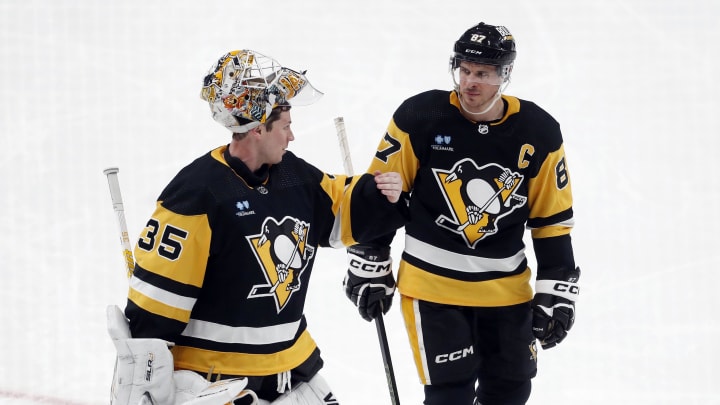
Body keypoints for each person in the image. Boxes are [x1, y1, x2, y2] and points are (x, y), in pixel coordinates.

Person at [109, 49, 406, 405]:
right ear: (257, 129)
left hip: (289, 370)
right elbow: (156, 307)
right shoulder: (197, 194)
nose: (291, 136)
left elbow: (338, 208)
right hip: (215, 382)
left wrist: (377, 193)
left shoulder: (293, 176)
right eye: (285, 126)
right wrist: (143, 382)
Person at [342, 22, 581, 405]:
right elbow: (383, 191)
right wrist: (371, 257)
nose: (469, 82)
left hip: (507, 291)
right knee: (449, 395)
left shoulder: (539, 132)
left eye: (482, 74)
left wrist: (557, 285)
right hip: (431, 288)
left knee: (511, 391)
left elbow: (550, 220)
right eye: (464, 70)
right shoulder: (420, 116)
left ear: (504, 75)